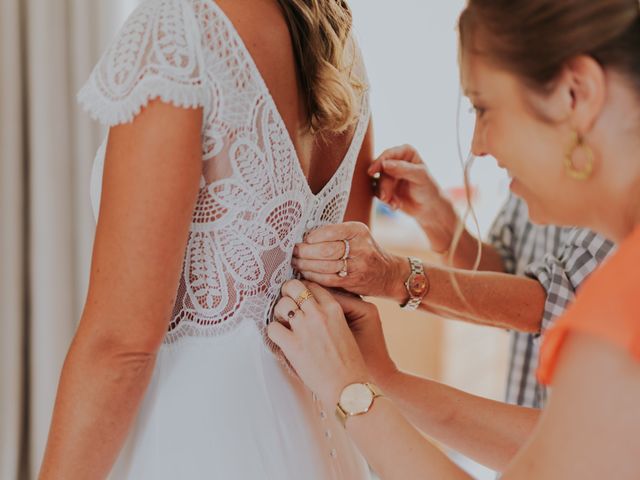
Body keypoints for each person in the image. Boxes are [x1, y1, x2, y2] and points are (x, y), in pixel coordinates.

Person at [268, 0, 640, 478]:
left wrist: (351, 390)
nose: (479, 146)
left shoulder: (615, 312)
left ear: (576, 93)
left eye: (484, 107)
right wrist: (382, 379)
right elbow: (563, 450)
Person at [38, 0, 375, 478]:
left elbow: (121, 345)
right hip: (324, 444)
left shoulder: (179, 30)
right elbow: (344, 287)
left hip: (195, 439)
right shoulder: (338, 49)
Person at [293, 145, 614, 411]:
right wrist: (438, 218)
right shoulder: (531, 171)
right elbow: (508, 278)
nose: (477, 144)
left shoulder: (622, 185)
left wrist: (395, 276)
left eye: (486, 107)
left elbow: (556, 304)